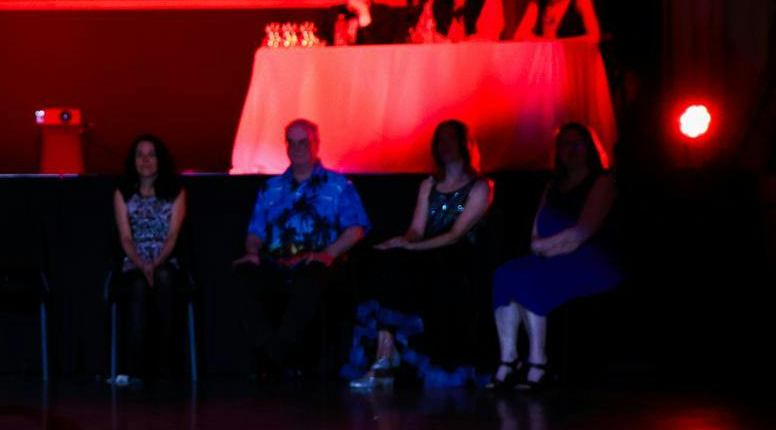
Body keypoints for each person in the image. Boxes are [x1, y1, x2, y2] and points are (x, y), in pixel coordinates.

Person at [348, 120, 493, 386]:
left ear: (464, 144)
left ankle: (386, 360)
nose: (445, 146)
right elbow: (416, 229)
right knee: (385, 260)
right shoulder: (429, 185)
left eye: (451, 139)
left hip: (458, 256)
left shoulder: (480, 187)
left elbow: (456, 234)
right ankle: (384, 355)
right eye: (440, 140)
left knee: (408, 265)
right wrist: (400, 242)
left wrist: (412, 246)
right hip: (427, 252)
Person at [233, 119, 370, 379]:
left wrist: (329, 253)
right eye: (291, 142)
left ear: (316, 144)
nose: (297, 148)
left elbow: (356, 229)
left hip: (318, 263)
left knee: (311, 278)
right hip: (278, 263)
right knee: (242, 275)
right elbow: (255, 231)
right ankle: (269, 349)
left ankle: (277, 355)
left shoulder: (338, 186)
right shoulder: (270, 188)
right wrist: (252, 251)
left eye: (303, 142)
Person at [489, 123, 621, 391]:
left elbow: (582, 231)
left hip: (589, 260)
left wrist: (547, 248)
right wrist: (539, 246)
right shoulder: (553, 185)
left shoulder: (603, 181)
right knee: (505, 274)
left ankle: (538, 362)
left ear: (589, 148)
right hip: (550, 255)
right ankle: (508, 360)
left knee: (531, 279)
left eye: (577, 144)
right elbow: (536, 227)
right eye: (564, 144)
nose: (569, 150)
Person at [109, 134, 188, 385]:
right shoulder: (123, 193)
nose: (145, 160)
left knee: (164, 277)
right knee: (138, 285)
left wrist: (156, 262)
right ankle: (135, 368)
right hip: (134, 260)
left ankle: (166, 366)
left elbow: (173, 234)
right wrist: (143, 264)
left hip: (166, 258)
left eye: (151, 154)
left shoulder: (176, 191)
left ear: (159, 159)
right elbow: (125, 238)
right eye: (140, 155)